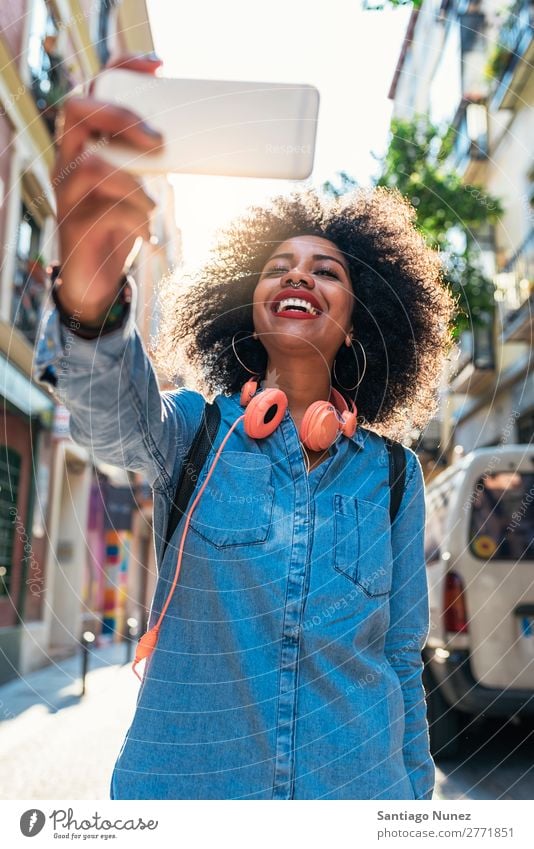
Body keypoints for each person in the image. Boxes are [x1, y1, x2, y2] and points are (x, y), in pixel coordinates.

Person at [34, 54, 456, 800]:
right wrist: (88, 305)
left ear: (358, 326)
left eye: (326, 270)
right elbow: (108, 419)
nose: (298, 275)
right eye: (278, 267)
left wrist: (415, 800)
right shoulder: (195, 432)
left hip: (359, 795)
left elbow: (399, 658)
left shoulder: (394, 475)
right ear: (248, 310)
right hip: (189, 795)